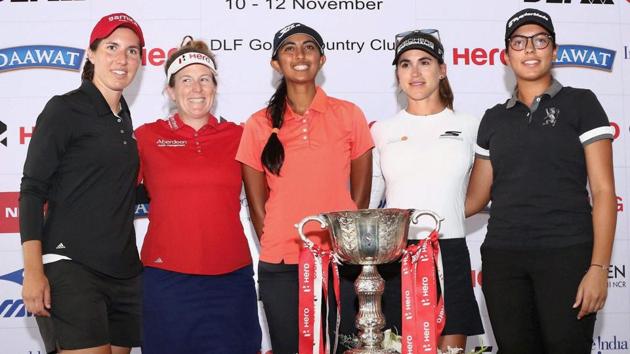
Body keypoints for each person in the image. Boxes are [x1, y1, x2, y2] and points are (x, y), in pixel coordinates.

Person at [466, 8, 616, 354]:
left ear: (554, 50)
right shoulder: (492, 119)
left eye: (539, 40)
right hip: (504, 260)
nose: (529, 49)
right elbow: (474, 200)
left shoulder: (582, 103)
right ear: (506, 56)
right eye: (519, 42)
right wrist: (418, 212)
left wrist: (598, 268)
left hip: (567, 254)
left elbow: (605, 192)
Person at [236, 23, 374, 354]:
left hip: (338, 263)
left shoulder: (349, 115)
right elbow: (257, 207)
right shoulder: (257, 124)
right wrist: (279, 243)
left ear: (322, 59)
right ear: (275, 63)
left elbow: (360, 196)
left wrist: (344, 248)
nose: (300, 54)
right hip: (281, 265)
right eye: (289, 48)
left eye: (309, 47)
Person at [19, 13, 144, 354]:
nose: (122, 59)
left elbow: (114, 190)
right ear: (91, 53)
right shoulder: (64, 109)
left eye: (132, 51)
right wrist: (33, 272)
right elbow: (31, 190)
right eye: (112, 47)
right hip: (71, 269)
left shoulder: (125, 120)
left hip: (124, 274)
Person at [134, 37, 261, 354]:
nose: (196, 89)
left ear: (215, 87)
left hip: (231, 278)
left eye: (205, 79)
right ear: (170, 91)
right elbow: (106, 192)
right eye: (186, 80)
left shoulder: (240, 135)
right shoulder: (147, 137)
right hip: (167, 280)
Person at [364, 30, 484, 352]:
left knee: (452, 348)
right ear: (397, 74)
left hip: (451, 249)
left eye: (425, 62)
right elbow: (371, 205)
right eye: (405, 64)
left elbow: (481, 193)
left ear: (442, 69)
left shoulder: (471, 125)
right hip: (397, 256)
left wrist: (446, 215)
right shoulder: (381, 130)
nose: (415, 73)